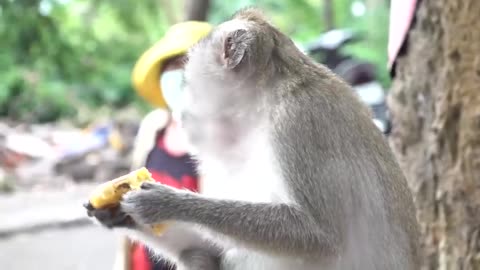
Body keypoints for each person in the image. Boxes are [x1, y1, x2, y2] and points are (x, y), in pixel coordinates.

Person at [112, 21, 213, 270]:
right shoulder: (152, 126)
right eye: (172, 64)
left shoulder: (228, 137)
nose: (179, 72)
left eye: (188, 62)